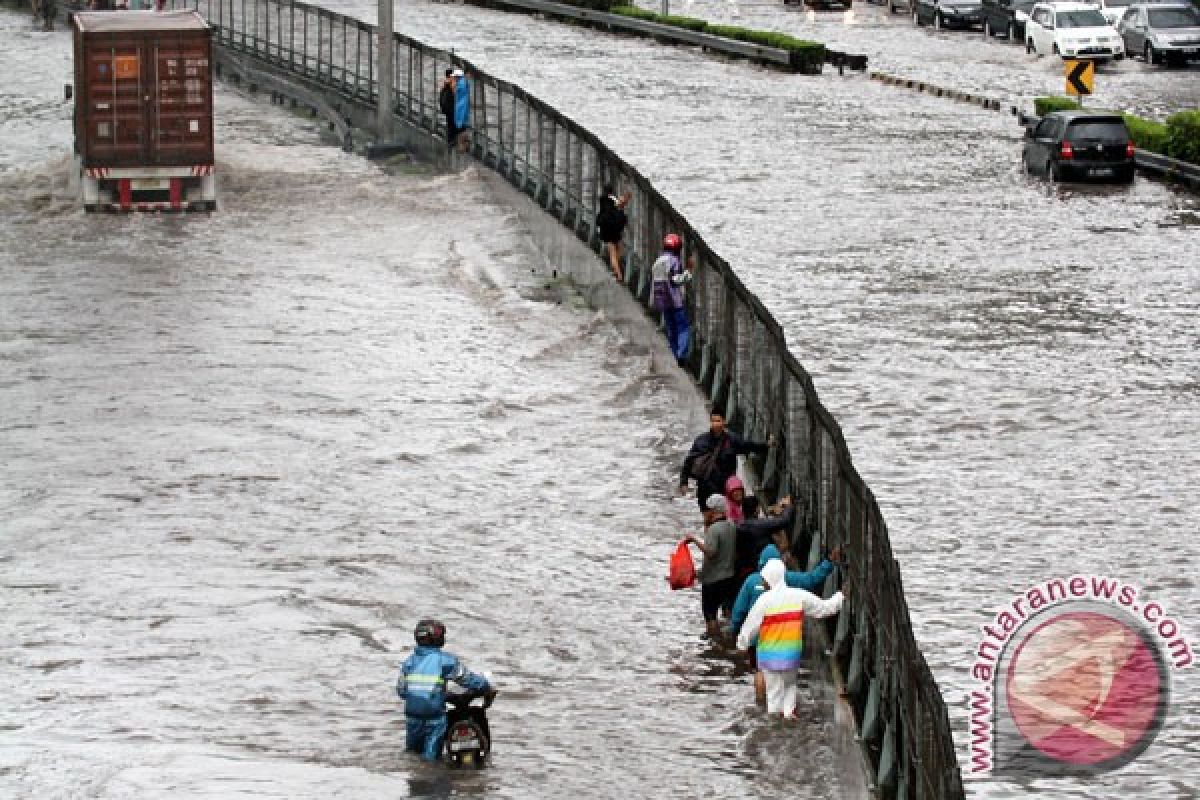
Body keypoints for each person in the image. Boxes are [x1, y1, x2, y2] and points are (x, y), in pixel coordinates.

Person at [729, 543, 839, 705]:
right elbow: (812, 579)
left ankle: (761, 702)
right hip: (784, 635)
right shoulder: (789, 579)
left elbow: (739, 610)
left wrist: (736, 629)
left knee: (760, 671)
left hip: (758, 637)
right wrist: (828, 563)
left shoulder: (752, 581)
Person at [396, 618, 492, 762]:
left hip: (412, 717)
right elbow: (467, 679)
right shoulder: (446, 660)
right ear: (436, 637)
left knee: (413, 754)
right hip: (434, 717)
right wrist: (485, 686)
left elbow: (402, 691)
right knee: (431, 758)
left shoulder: (408, 662)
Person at [679, 409, 773, 511]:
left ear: (724, 421)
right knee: (708, 516)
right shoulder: (701, 440)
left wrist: (766, 445)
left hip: (726, 488)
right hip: (705, 488)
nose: (715, 424)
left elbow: (750, 446)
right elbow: (689, 461)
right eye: (713, 421)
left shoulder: (733, 440)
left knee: (727, 515)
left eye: (718, 421)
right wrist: (684, 482)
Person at [684, 495, 740, 642]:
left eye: (707, 509)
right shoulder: (731, 526)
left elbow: (711, 552)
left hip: (713, 581)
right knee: (727, 613)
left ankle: (715, 646)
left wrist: (694, 540)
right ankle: (729, 642)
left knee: (710, 616)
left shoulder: (714, 530)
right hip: (729, 578)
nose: (704, 512)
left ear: (714, 511)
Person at [650, 232, 692, 365]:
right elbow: (675, 281)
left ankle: (675, 354)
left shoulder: (658, 261)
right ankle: (681, 354)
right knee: (683, 327)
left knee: (671, 329)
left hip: (662, 301)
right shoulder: (674, 260)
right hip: (675, 301)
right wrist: (688, 273)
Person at [595, 186, 631, 283]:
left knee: (613, 254)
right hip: (616, 232)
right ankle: (615, 269)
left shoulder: (608, 201)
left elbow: (604, 213)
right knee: (618, 252)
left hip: (608, 231)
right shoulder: (619, 209)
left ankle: (618, 274)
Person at [452, 69, 470, 154]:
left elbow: (455, 91)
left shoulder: (460, 84)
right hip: (463, 108)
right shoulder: (464, 82)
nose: (454, 78)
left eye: (455, 77)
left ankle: (462, 148)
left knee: (460, 129)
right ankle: (464, 146)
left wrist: (454, 86)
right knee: (463, 128)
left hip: (461, 109)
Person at [439, 69, 457, 150]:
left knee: (450, 124)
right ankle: (451, 141)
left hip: (446, 107)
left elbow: (441, 96)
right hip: (450, 108)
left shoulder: (444, 84)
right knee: (452, 124)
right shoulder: (451, 83)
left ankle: (450, 141)